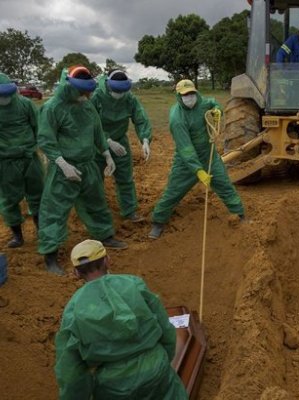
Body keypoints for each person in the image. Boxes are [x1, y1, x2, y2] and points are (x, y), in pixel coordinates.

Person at [54, 239, 188, 400]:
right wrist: (162, 358)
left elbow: (70, 369)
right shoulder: (134, 284)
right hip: (156, 369)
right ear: (107, 260)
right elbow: (165, 327)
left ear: (76, 273)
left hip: (114, 386)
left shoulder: (73, 310)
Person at [37, 65, 126, 275]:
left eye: (89, 92)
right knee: (55, 210)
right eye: (82, 92)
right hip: (63, 169)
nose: (86, 95)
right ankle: (50, 255)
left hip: (88, 165)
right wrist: (62, 163)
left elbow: (97, 130)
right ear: (69, 87)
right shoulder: (52, 108)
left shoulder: (87, 105)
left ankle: (105, 235)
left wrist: (105, 153)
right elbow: (46, 139)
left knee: (96, 202)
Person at [149, 79, 244, 239]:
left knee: (225, 186)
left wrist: (217, 110)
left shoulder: (202, 103)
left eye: (192, 93)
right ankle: (158, 222)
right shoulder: (177, 118)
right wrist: (198, 171)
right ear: (179, 96)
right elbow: (185, 148)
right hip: (186, 163)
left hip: (209, 156)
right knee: (173, 192)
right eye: (185, 94)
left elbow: (214, 103)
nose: (190, 97)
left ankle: (239, 215)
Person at [91, 70, 152, 222]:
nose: (119, 94)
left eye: (122, 91)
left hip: (120, 142)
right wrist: (108, 141)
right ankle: (98, 214)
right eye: (116, 91)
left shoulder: (129, 98)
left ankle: (129, 210)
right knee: (95, 180)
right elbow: (89, 123)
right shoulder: (96, 97)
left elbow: (140, 118)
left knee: (125, 178)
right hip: (97, 143)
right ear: (109, 86)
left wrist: (144, 139)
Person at [0, 72, 44, 248]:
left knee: (37, 194)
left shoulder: (26, 104)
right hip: (5, 161)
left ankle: (42, 230)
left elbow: (38, 127)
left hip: (29, 157)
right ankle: (17, 236)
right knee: (8, 199)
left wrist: (40, 148)